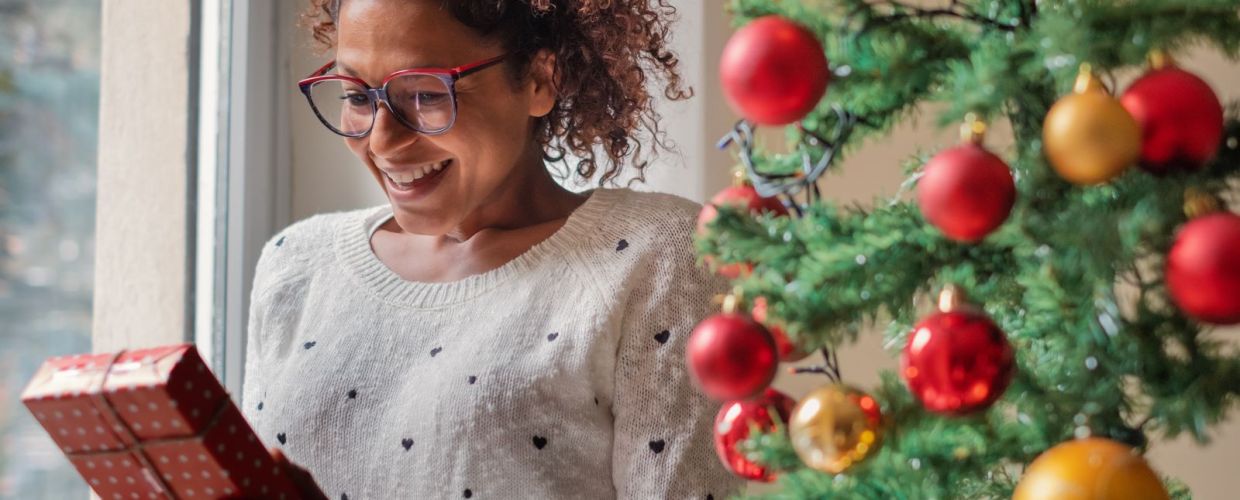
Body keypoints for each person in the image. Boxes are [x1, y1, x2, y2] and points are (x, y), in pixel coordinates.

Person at [243, 0, 741, 498]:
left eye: (423, 93)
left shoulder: (657, 257)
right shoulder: (296, 264)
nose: (382, 140)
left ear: (539, 81)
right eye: (356, 95)